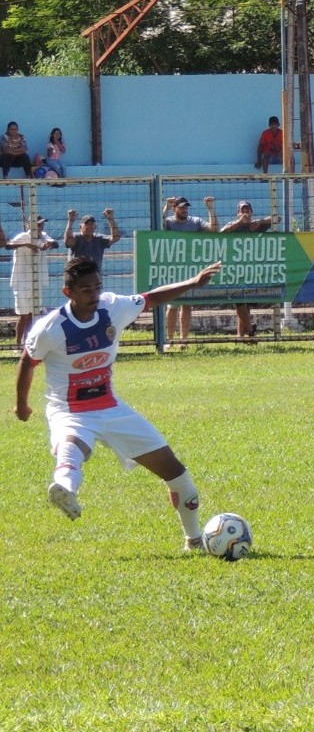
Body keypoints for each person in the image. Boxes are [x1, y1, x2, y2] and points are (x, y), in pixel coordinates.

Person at [14, 255, 223, 551]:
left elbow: (151, 298)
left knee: (178, 474)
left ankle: (194, 540)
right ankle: (64, 488)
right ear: (68, 293)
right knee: (73, 447)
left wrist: (193, 282)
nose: (94, 295)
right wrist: (22, 404)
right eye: (86, 290)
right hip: (70, 411)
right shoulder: (51, 328)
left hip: (112, 408)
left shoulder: (113, 307)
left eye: (97, 287)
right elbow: (27, 362)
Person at [162, 196, 218, 349]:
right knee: (172, 305)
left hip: (191, 269)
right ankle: (169, 340)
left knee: (187, 306)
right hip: (173, 269)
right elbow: (158, 227)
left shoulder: (195, 221)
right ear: (175, 209)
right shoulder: (169, 222)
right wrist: (165, 208)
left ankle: (183, 340)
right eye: (181, 207)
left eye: (186, 207)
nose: (184, 210)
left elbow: (214, 230)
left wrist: (210, 209)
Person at [220, 200, 274, 340]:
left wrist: (258, 222)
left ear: (251, 212)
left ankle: (241, 336)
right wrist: (239, 222)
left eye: (247, 210)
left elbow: (276, 218)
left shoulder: (256, 225)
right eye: (242, 210)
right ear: (238, 213)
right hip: (235, 271)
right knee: (239, 303)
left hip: (252, 271)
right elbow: (222, 233)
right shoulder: (233, 226)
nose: (245, 213)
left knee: (246, 306)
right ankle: (250, 331)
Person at [7, 217, 59, 349]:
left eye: (42, 224)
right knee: (23, 315)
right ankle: (18, 345)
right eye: (38, 224)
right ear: (30, 225)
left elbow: (55, 243)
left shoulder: (44, 236)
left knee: (32, 315)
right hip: (22, 282)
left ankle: (27, 343)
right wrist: (26, 244)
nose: (41, 227)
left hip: (37, 281)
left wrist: (48, 244)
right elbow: (8, 246)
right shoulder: (23, 236)